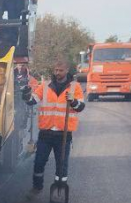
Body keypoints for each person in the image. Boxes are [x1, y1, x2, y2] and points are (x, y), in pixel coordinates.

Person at [23, 60, 85, 196]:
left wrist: (73, 101)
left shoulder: (75, 87)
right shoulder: (45, 86)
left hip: (63, 134)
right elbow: (32, 100)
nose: (57, 73)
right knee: (39, 162)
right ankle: (37, 187)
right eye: (56, 70)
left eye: (60, 70)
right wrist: (26, 96)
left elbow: (80, 107)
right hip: (46, 133)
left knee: (61, 165)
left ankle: (59, 187)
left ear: (67, 70)